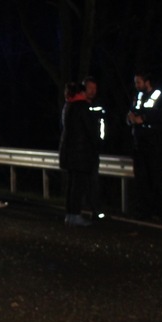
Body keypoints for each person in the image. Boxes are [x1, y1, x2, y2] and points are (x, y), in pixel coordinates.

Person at [126, 72, 162, 221]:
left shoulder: (159, 96)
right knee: (141, 180)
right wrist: (130, 118)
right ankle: (145, 211)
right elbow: (132, 112)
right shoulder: (137, 97)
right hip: (139, 144)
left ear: (147, 81)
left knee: (157, 179)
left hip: (155, 146)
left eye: (139, 82)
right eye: (135, 82)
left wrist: (143, 119)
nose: (136, 85)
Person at [59, 81, 100, 226]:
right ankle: (76, 214)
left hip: (69, 152)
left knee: (71, 184)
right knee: (78, 185)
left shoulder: (68, 106)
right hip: (81, 153)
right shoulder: (82, 107)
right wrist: (97, 143)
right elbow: (90, 130)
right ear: (81, 92)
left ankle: (70, 214)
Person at [83, 77, 106, 220]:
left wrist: (100, 143)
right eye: (90, 88)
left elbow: (103, 126)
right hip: (82, 150)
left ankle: (95, 208)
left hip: (94, 150)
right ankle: (82, 206)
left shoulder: (98, 105)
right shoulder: (79, 105)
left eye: (94, 88)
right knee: (83, 180)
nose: (93, 91)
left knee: (94, 180)